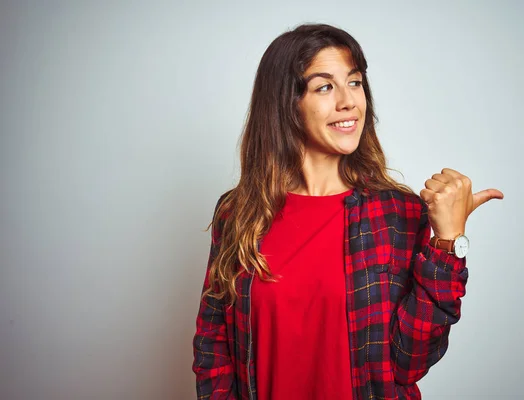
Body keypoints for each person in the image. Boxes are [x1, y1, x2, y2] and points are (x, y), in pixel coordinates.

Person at [192, 23, 503, 400]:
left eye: (354, 83)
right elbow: (213, 348)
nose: (348, 101)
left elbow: (411, 361)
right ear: (286, 104)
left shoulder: (397, 214)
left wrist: (448, 241)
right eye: (324, 86)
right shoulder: (239, 214)